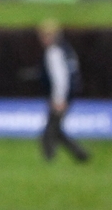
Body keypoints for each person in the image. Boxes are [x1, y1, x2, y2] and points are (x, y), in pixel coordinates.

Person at [37, 19, 89, 162]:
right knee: (55, 129)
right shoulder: (66, 49)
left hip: (61, 97)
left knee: (50, 131)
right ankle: (80, 154)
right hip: (68, 95)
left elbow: (60, 78)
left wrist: (59, 99)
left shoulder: (54, 52)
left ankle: (50, 159)